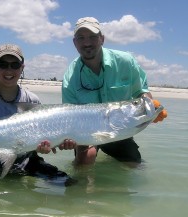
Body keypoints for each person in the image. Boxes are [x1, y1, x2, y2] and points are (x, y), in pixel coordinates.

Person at [0, 43, 72, 182]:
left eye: (15, 65)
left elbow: (41, 141)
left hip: (28, 164)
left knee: (68, 183)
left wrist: (45, 148)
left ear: (22, 68)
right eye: (3, 64)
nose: (9, 70)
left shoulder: (32, 99)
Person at [61, 17, 167, 165]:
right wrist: (66, 139)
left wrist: (150, 104)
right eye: (81, 38)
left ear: (102, 39)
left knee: (134, 164)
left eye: (92, 37)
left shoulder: (126, 62)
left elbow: (141, 92)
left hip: (120, 129)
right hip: (87, 133)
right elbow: (68, 115)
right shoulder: (70, 77)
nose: (87, 43)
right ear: (74, 43)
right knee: (85, 160)